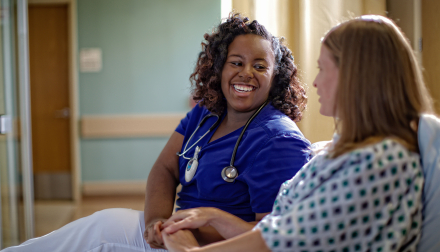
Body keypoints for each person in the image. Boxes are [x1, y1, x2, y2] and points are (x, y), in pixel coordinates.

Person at [2, 13, 310, 252]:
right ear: (219, 68)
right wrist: (157, 221)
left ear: (276, 77)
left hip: (205, 247)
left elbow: (269, 238)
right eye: (236, 62)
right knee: (94, 228)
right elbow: (164, 168)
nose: (246, 73)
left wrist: (185, 231)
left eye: (260, 66)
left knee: (97, 233)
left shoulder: (278, 140)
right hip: (172, 236)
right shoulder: (205, 114)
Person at [160, 15, 434, 252]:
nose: (314, 81)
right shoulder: (349, 150)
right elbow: (279, 230)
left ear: (356, 77)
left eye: (323, 69)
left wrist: (186, 247)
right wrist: (214, 218)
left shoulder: (380, 163)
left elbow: (281, 243)